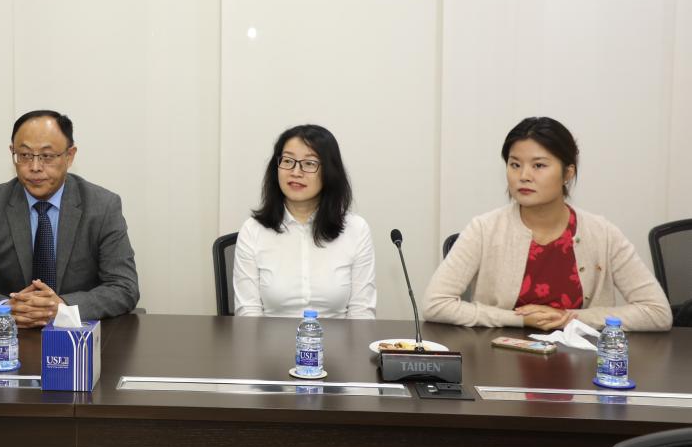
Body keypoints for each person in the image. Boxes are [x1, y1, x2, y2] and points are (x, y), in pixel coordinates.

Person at [422, 117, 671, 332]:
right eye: (515, 164)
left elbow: (657, 312)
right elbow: (435, 304)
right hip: (499, 360)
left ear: (568, 173)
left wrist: (570, 318)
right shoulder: (484, 230)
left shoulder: (602, 233)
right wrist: (519, 320)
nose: (524, 176)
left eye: (539, 165)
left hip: (581, 362)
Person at [0, 110, 140, 327]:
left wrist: (61, 307)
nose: (34, 167)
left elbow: (124, 287)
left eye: (47, 156)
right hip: (13, 336)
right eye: (24, 155)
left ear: (70, 155)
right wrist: (6, 309)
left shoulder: (102, 206)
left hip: (79, 337)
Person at [232, 124, 376, 318]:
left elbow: (362, 313)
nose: (296, 172)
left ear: (329, 171)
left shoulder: (356, 230)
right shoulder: (253, 230)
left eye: (309, 163)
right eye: (288, 161)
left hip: (337, 339)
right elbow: (248, 313)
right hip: (270, 339)